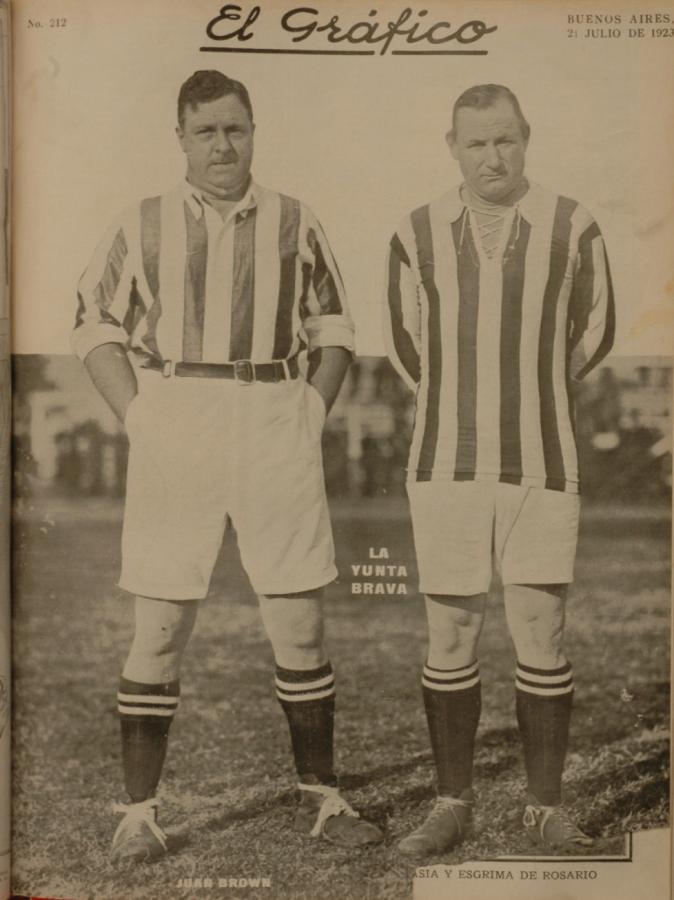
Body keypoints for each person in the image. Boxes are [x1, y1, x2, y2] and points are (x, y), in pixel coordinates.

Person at [73, 70, 383, 863]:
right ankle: (139, 813)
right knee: (162, 623)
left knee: (299, 620)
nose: (223, 145)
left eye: (236, 129)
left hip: (274, 411)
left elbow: (338, 327)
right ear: (180, 136)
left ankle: (323, 796)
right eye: (207, 130)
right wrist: (141, 415)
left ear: (254, 132)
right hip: (179, 411)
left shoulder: (294, 220)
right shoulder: (140, 223)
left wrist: (308, 412)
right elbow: (94, 325)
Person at [383, 84, 615, 856]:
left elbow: (594, 331)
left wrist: (532, 387)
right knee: (450, 630)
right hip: (446, 462)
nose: (493, 156)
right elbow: (408, 347)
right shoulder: (414, 231)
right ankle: (452, 805)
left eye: (506, 140)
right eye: (477, 142)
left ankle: (544, 808)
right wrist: (468, 400)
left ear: (527, 138)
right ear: (452, 145)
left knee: (541, 627)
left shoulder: (573, 223)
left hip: (543, 460)